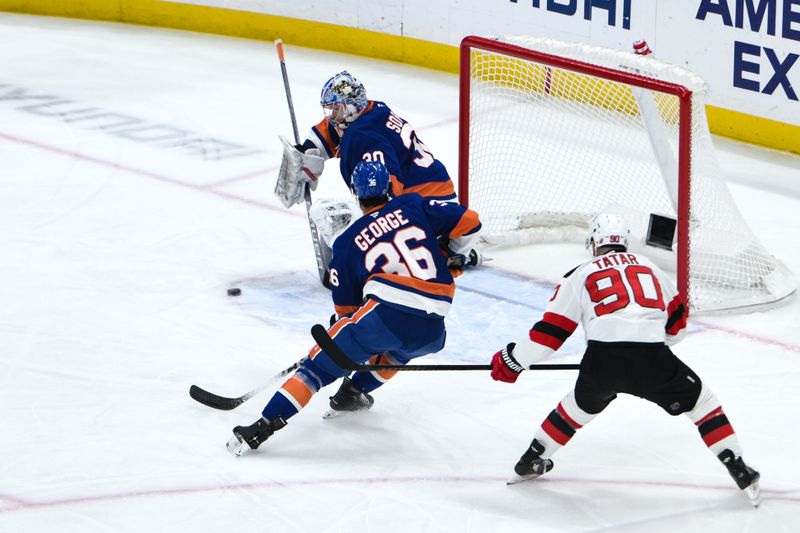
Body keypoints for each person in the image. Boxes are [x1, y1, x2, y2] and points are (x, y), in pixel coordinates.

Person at [489, 213, 761, 506]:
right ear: (625, 243)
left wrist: (513, 360)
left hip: (602, 361)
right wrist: (649, 338)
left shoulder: (579, 274)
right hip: (653, 358)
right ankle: (737, 465)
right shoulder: (652, 269)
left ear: (594, 243)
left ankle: (533, 457)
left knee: (579, 405)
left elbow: (549, 335)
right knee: (702, 404)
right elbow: (678, 322)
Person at [227, 160, 482, 455]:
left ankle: (261, 427)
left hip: (386, 311)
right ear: (388, 186)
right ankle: (353, 393)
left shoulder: (346, 244)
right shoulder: (411, 204)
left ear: (355, 193)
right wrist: (453, 254)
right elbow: (471, 221)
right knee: (398, 351)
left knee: (316, 370)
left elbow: (347, 313)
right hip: (435, 325)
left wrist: (340, 345)